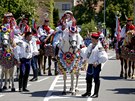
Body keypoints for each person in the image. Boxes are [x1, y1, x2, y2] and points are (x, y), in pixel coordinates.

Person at [81, 32, 108, 98]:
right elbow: (87, 54)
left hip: (96, 65)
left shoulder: (99, 47)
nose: (91, 40)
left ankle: (96, 93)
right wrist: (84, 58)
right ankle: (88, 92)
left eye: (93, 39)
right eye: (91, 39)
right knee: (88, 79)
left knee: (96, 79)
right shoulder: (90, 45)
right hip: (90, 65)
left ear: (96, 40)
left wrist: (98, 62)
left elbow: (105, 57)